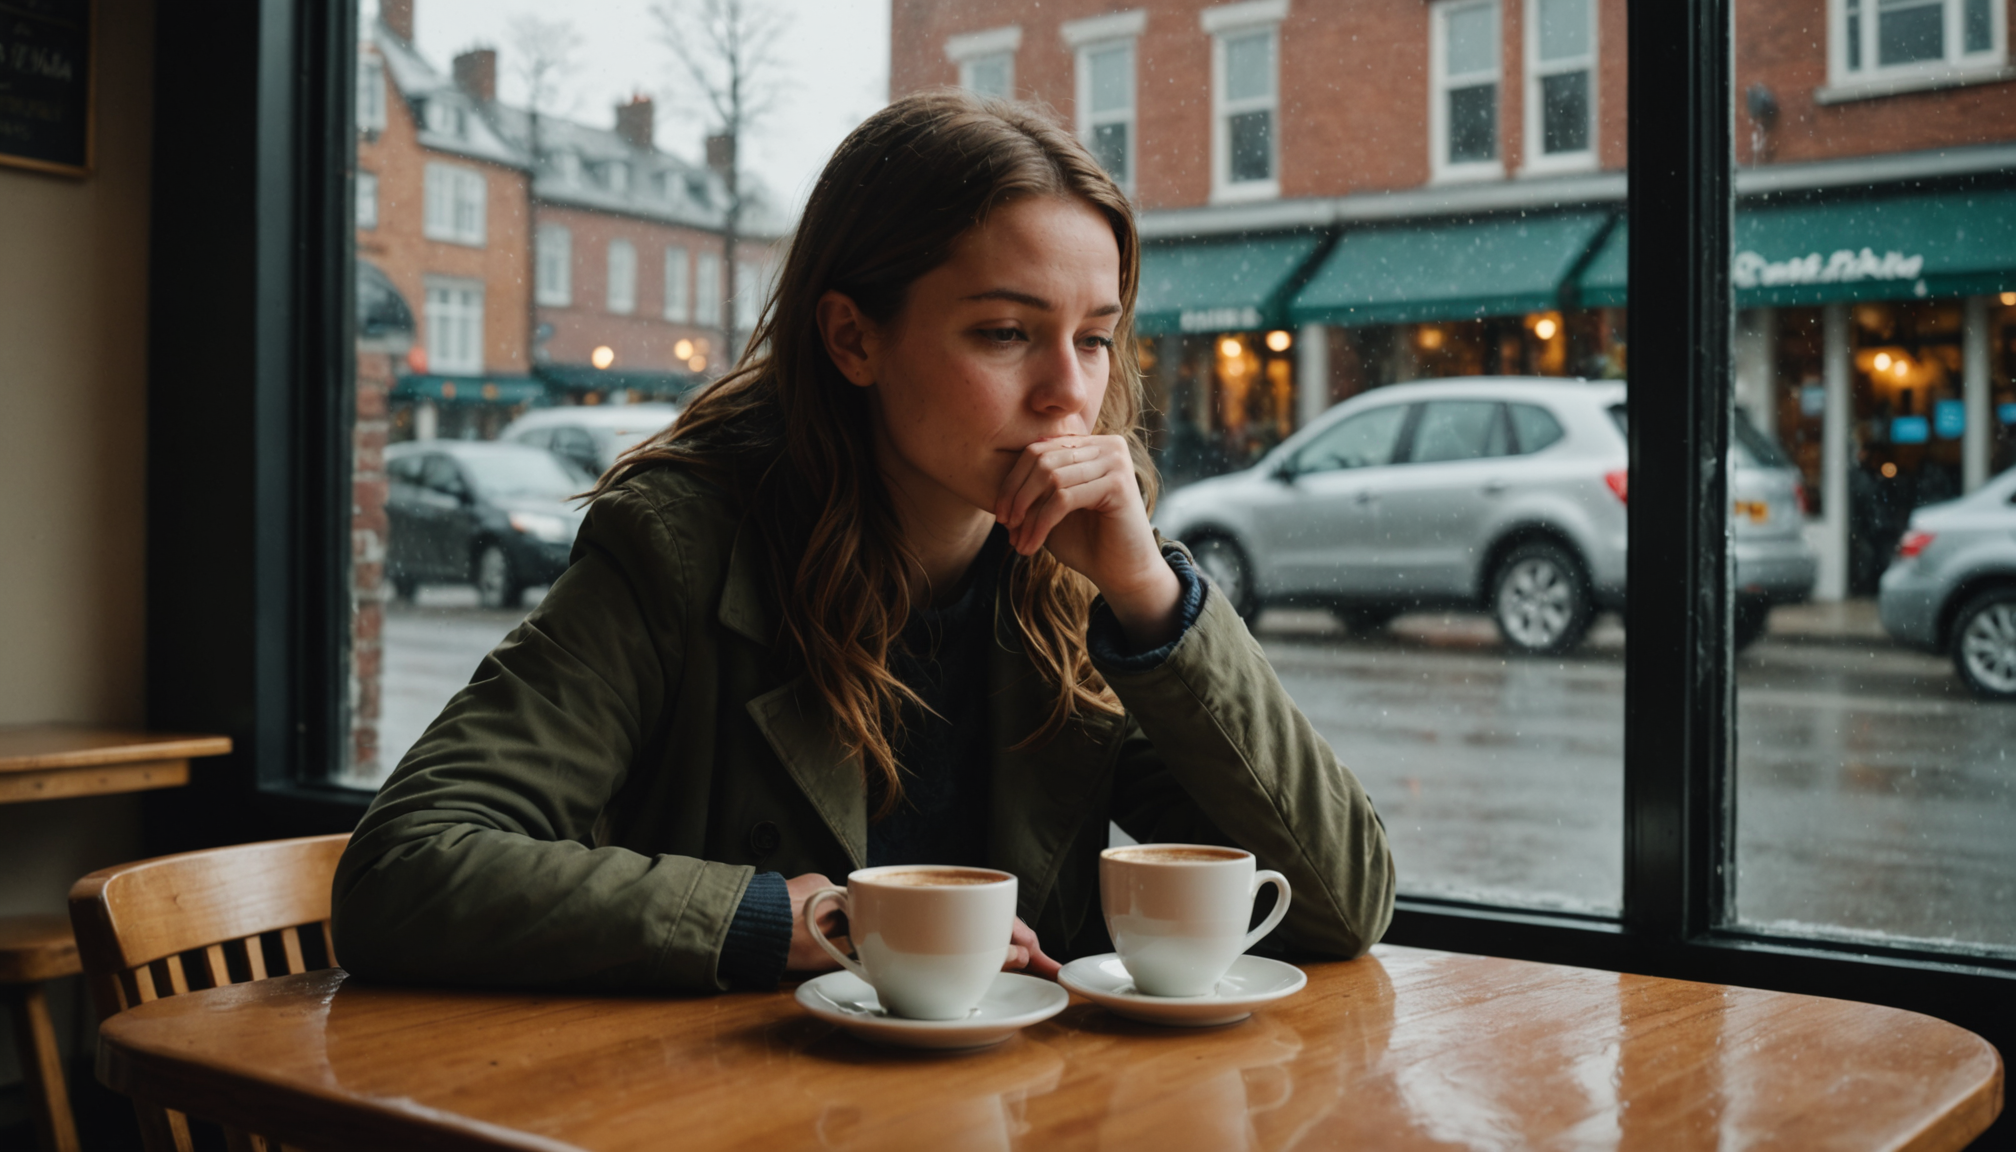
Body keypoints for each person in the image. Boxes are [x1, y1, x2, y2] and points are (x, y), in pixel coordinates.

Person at [332, 90, 1394, 993]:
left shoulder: (1085, 585)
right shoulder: (682, 548)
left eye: (1095, 338)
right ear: (852, 337)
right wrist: (774, 922)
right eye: (1005, 333)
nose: (1070, 393)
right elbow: (406, 867)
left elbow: (1338, 905)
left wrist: (1153, 599)